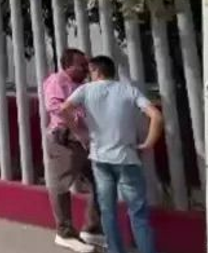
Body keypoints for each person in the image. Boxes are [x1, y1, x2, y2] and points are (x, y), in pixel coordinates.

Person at [60, 55, 163, 253]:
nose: (88, 74)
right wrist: (148, 143)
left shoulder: (85, 90)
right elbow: (156, 116)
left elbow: (64, 109)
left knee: (108, 211)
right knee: (138, 213)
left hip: (99, 158)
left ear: (97, 71)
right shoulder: (129, 90)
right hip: (127, 158)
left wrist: (80, 133)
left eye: (90, 71)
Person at [43, 48, 102, 252]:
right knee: (60, 185)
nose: (86, 68)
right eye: (82, 65)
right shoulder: (57, 81)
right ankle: (64, 232)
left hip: (85, 142)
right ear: (68, 65)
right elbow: (55, 107)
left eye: (87, 65)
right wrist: (78, 117)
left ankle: (92, 229)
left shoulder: (83, 86)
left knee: (100, 182)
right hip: (65, 139)